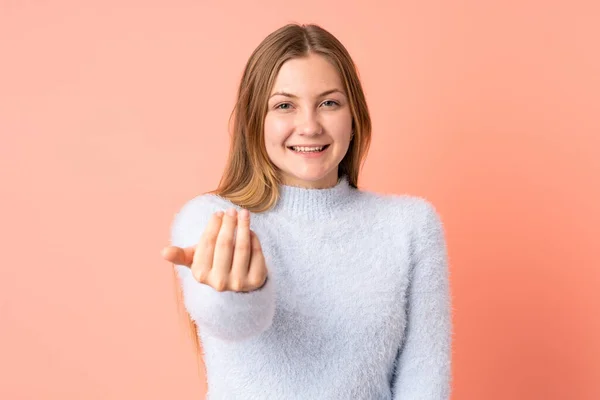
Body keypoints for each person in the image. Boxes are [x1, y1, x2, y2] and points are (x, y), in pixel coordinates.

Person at [161, 23, 452, 400]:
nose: (310, 126)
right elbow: (231, 323)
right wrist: (237, 291)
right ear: (256, 121)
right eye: (285, 106)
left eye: (329, 103)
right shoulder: (212, 218)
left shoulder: (411, 226)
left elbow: (425, 383)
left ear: (354, 116)